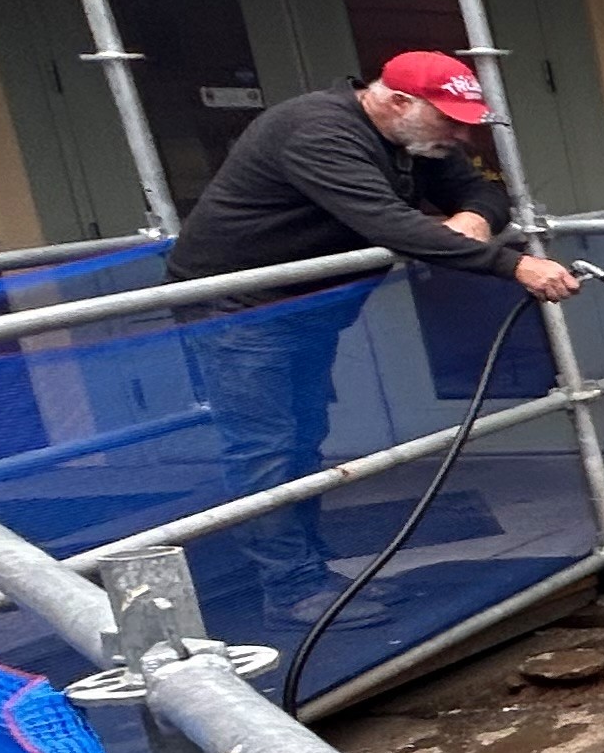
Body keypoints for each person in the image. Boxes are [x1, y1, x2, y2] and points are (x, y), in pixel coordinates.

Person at [168, 56, 582, 620]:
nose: (461, 135)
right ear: (396, 102)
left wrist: (476, 219)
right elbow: (386, 222)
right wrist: (513, 266)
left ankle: (311, 571)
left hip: (303, 305)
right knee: (265, 448)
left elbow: (481, 189)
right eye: (450, 121)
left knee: (303, 439)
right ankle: (289, 587)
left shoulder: (413, 138)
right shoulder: (316, 133)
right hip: (237, 311)